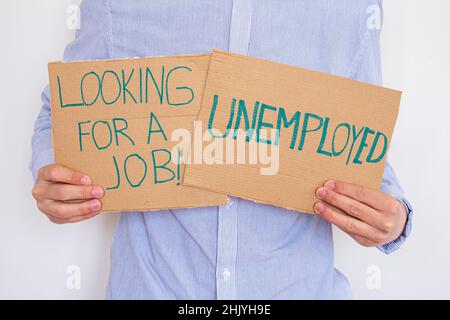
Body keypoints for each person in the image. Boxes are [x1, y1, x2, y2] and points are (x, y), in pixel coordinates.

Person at [30, 0, 413, 299]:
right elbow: (62, 108)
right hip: (155, 288)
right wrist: (55, 174)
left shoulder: (350, 7)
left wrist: (393, 217)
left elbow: (356, 137)